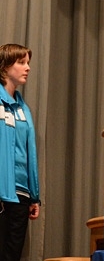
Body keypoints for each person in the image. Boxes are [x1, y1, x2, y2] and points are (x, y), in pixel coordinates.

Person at [0, 44, 41, 261]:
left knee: (12, 255)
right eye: (21, 62)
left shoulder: (24, 109)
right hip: (1, 192)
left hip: (21, 195)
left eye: (28, 63)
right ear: (5, 66)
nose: (28, 68)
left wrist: (35, 196)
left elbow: (29, 152)